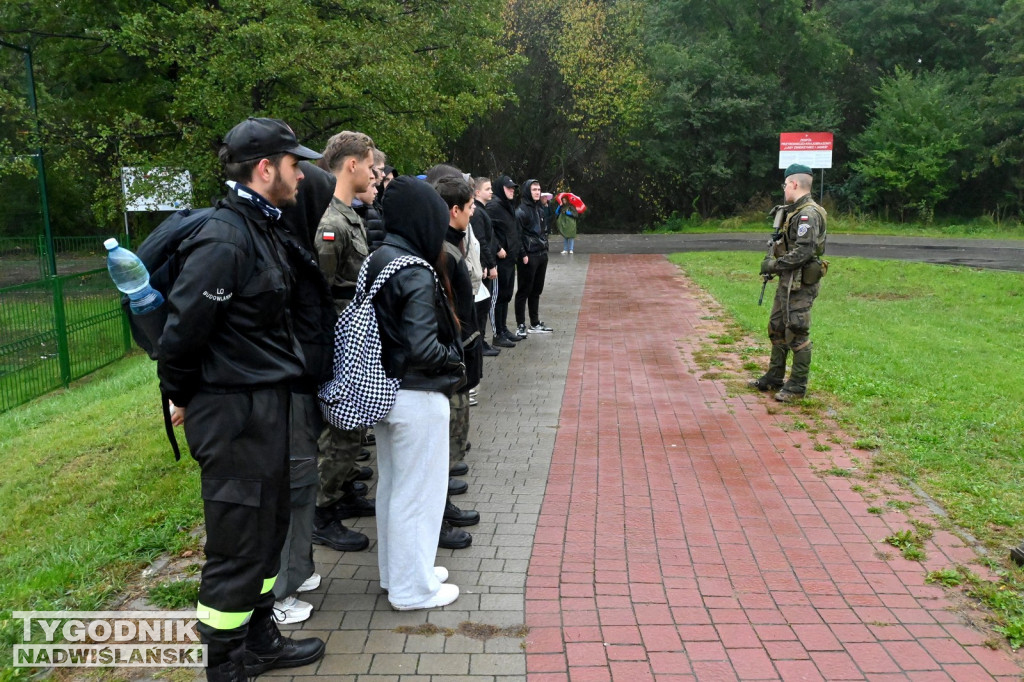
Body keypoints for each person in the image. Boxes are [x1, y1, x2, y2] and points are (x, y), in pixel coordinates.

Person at [159, 117, 326, 681]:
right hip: (233, 414)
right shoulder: (226, 237)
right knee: (235, 549)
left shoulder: (261, 227)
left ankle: (259, 640)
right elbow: (181, 334)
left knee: (267, 534)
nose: (300, 174)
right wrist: (183, 396)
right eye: (293, 164)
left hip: (265, 406)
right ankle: (225, 667)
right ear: (265, 169)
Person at [367, 175, 466, 610]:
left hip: (389, 391)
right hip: (419, 394)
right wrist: (454, 356)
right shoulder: (417, 270)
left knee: (393, 489)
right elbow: (424, 346)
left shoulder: (381, 257)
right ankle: (413, 589)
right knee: (418, 496)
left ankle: (401, 574)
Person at [272, 160, 338, 625]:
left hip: (302, 383)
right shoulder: (284, 253)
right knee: (294, 486)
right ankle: (279, 591)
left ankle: (299, 568)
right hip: (288, 389)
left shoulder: (295, 247)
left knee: (304, 480)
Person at [312, 131, 379, 553]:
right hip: (339, 337)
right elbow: (319, 293)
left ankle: (345, 491)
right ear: (351, 164)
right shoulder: (331, 223)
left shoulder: (348, 215)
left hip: (351, 333)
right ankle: (321, 511)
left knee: (353, 428)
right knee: (340, 428)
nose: (375, 172)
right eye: (370, 165)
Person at [749, 163, 828, 402]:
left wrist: (774, 265)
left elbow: (804, 252)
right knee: (777, 327)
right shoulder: (794, 211)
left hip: (801, 282)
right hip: (788, 280)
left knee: (796, 330)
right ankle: (774, 377)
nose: (784, 189)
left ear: (793, 184)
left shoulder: (808, 214)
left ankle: (797, 386)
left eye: (785, 184)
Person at [433, 175, 483, 547]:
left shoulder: (453, 246)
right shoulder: (444, 254)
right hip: (453, 362)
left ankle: (444, 504)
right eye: (469, 208)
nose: (472, 213)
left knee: (456, 438)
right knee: (448, 440)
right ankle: (438, 516)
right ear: (454, 210)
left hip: (462, 357)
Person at [485, 175, 522, 347]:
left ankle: (504, 328)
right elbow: (488, 231)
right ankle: (497, 333)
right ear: (501, 188)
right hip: (500, 260)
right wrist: (498, 248)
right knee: (498, 297)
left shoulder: (508, 206)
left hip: (510, 259)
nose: (512, 190)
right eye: (509, 188)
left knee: (506, 295)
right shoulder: (493, 206)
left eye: (513, 188)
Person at [514, 178, 553, 336]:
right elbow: (518, 235)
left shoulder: (540, 210)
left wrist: (545, 248)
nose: (537, 192)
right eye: (534, 189)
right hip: (528, 256)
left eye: (538, 189)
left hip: (541, 254)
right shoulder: (521, 211)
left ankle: (534, 323)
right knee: (524, 290)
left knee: (536, 290)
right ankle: (521, 324)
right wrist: (523, 254)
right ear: (527, 191)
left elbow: (543, 232)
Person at [471, 176, 500, 355]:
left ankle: (482, 341)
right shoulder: (478, 213)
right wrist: (490, 264)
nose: (491, 192)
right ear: (477, 191)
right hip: (481, 266)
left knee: (484, 305)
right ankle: (479, 342)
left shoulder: (482, 211)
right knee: (482, 305)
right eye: (487, 189)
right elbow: (481, 241)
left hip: (483, 264)